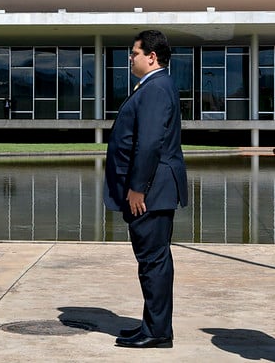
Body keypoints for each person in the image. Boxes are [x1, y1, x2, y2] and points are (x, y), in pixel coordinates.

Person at [104, 29, 188, 349]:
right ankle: (152, 325)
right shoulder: (155, 85)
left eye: (135, 53)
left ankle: (157, 331)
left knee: (153, 262)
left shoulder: (155, 88)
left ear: (151, 57)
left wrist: (137, 188)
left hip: (151, 191)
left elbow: (149, 143)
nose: (130, 57)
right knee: (152, 261)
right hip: (153, 189)